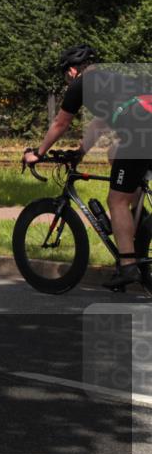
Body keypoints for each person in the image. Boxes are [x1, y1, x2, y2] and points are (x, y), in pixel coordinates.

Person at [23, 45, 152, 289]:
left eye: (65, 75)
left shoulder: (80, 85)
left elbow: (61, 123)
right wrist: (80, 153)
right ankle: (138, 223)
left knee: (116, 200)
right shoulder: (112, 78)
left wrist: (38, 154)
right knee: (115, 154)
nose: (67, 80)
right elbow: (99, 124)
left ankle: (128, 267)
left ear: (72, 71)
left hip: (139, 134)